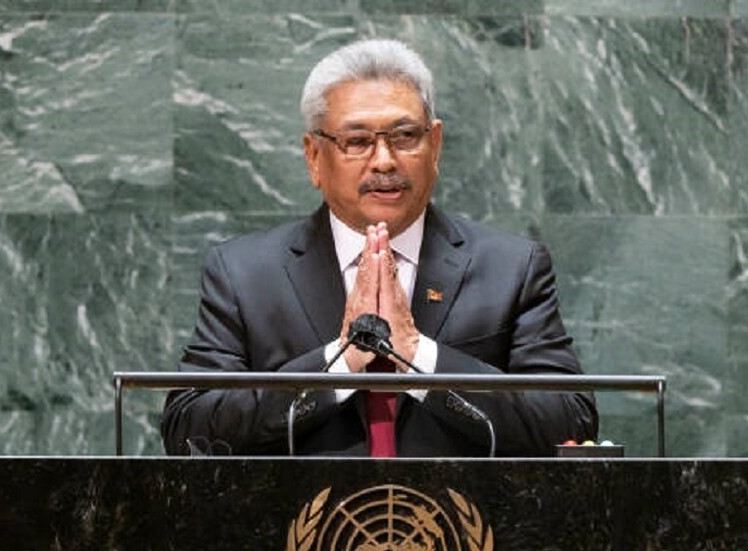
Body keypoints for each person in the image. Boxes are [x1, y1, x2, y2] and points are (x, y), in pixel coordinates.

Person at [161, 39, 598, 457]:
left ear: (435, 146)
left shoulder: (512, 268)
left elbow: (570, 421)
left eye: (405, 136)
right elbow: (189, 429)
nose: (385, 160)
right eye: (357, 141)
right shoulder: (244, 274)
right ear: (314, 157)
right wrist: (338, 366)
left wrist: (419, 356)